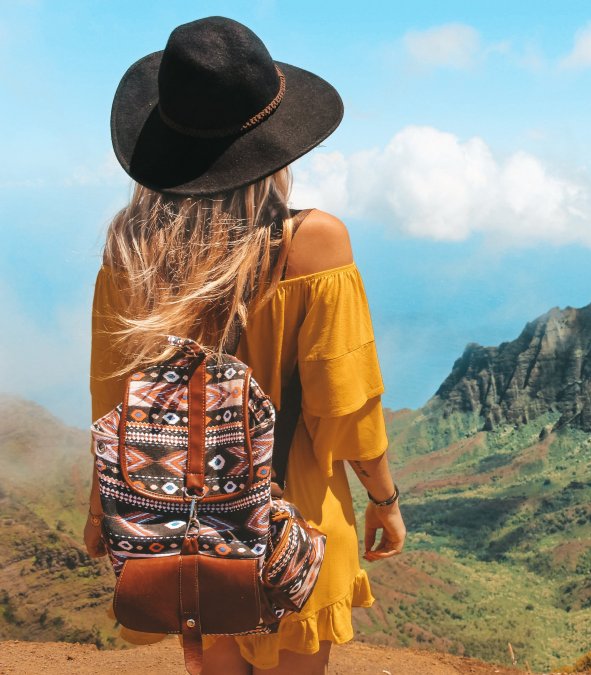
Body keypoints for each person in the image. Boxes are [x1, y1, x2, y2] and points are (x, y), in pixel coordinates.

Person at [81, 16, 406, 674]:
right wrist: (384, 499)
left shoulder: (131, 249)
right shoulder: (313, 244)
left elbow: (113, 397)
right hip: (297, 529)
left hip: (184, 537)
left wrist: (102, 506)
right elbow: (343, 407)